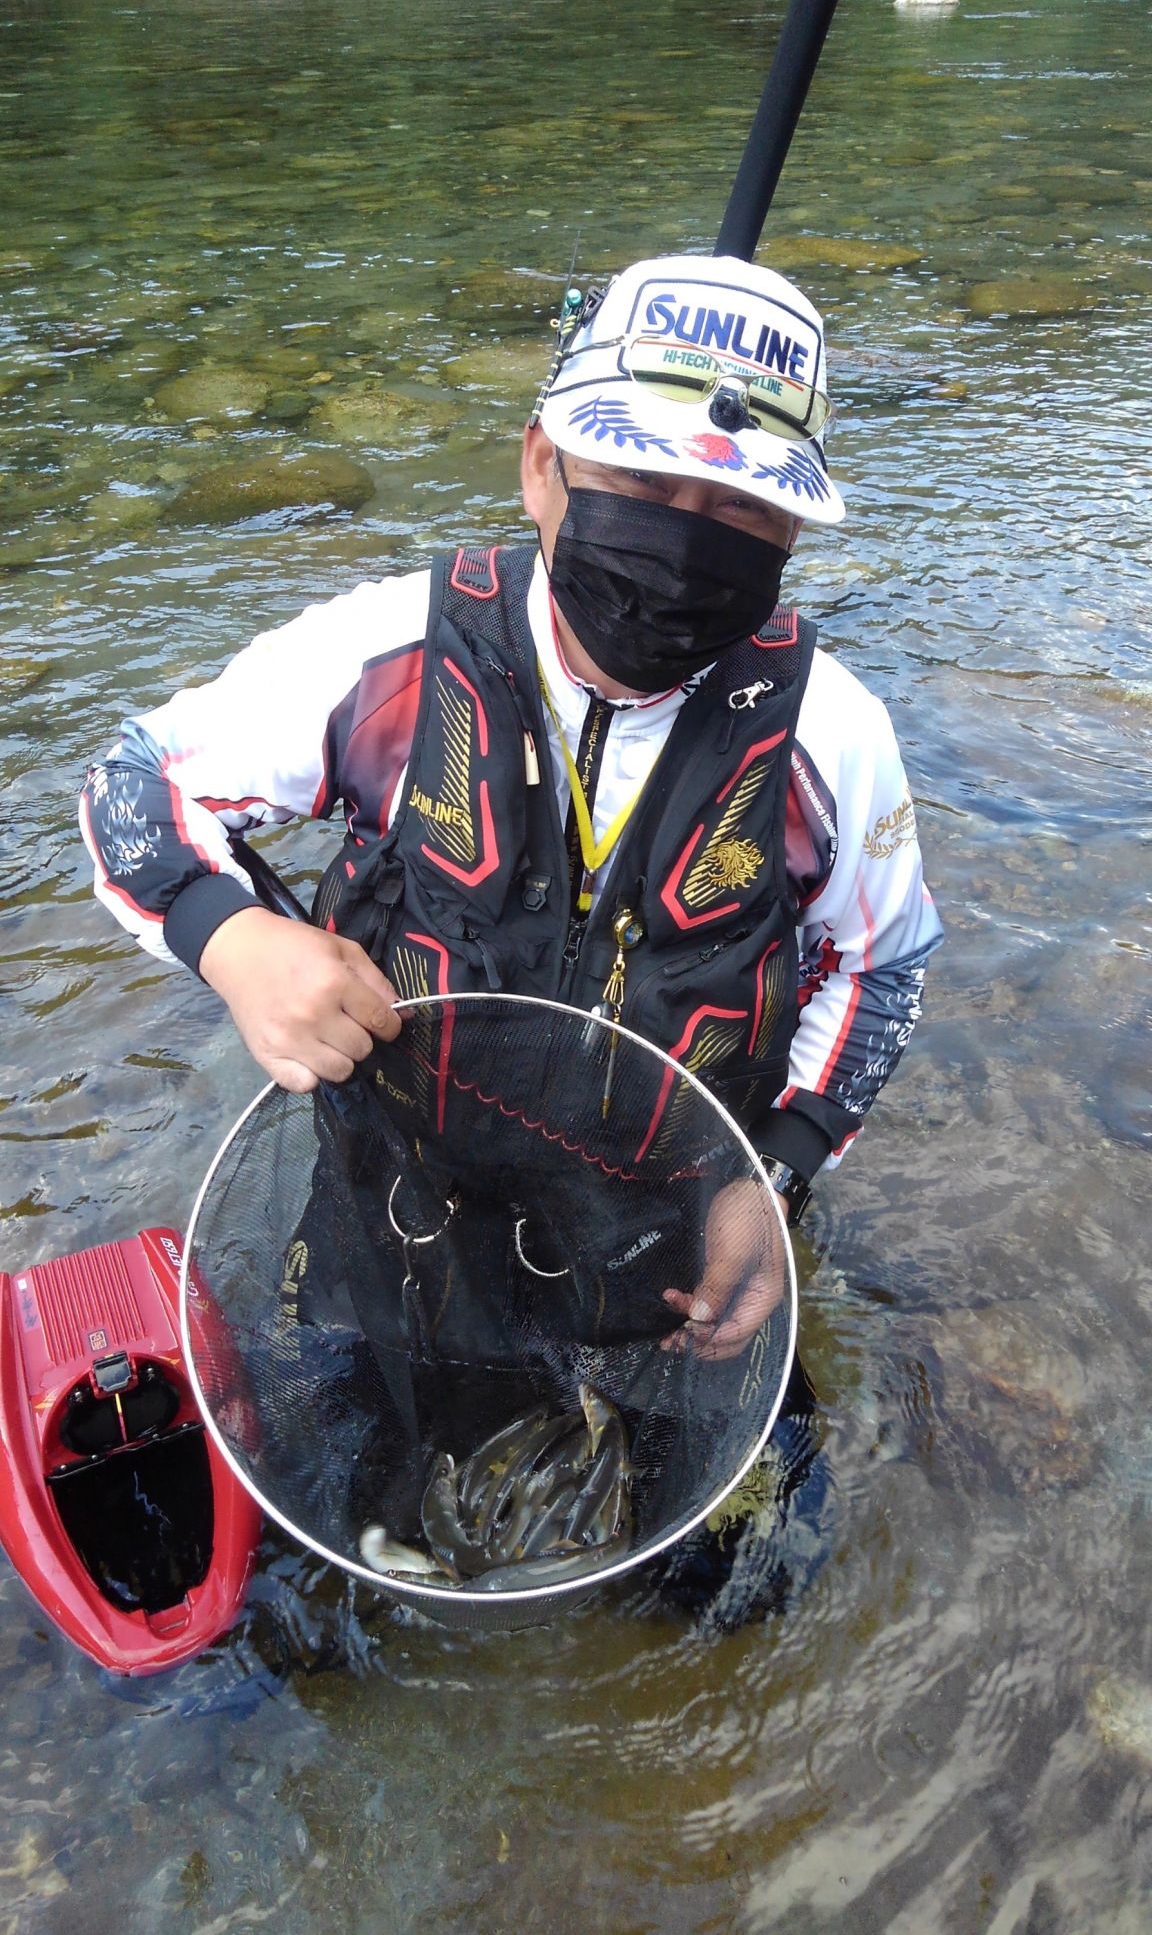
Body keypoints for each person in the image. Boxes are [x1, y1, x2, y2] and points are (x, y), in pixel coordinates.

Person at [81, 253, 942, 1619]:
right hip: (402, 1216)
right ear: (542, 466)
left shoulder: (831, 736)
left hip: (674, 1244)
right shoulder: (386, 654)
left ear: (788, 535)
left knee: (739, 1595)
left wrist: (768, 1177)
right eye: (647, 492)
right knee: (317, 1601)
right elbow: (138, 786)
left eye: (737, 512)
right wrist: (236, 939)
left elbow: (878, 969)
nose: (682, 546)